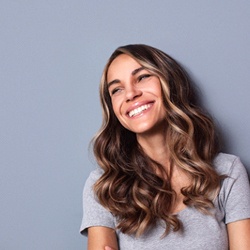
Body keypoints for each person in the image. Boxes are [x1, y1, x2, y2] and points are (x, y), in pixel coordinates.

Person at [80, 44, 250, 250]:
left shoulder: (228, 172)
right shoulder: (104, 186)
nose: (130, 94)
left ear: (169, 81)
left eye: (142, 77)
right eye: (117, 89)